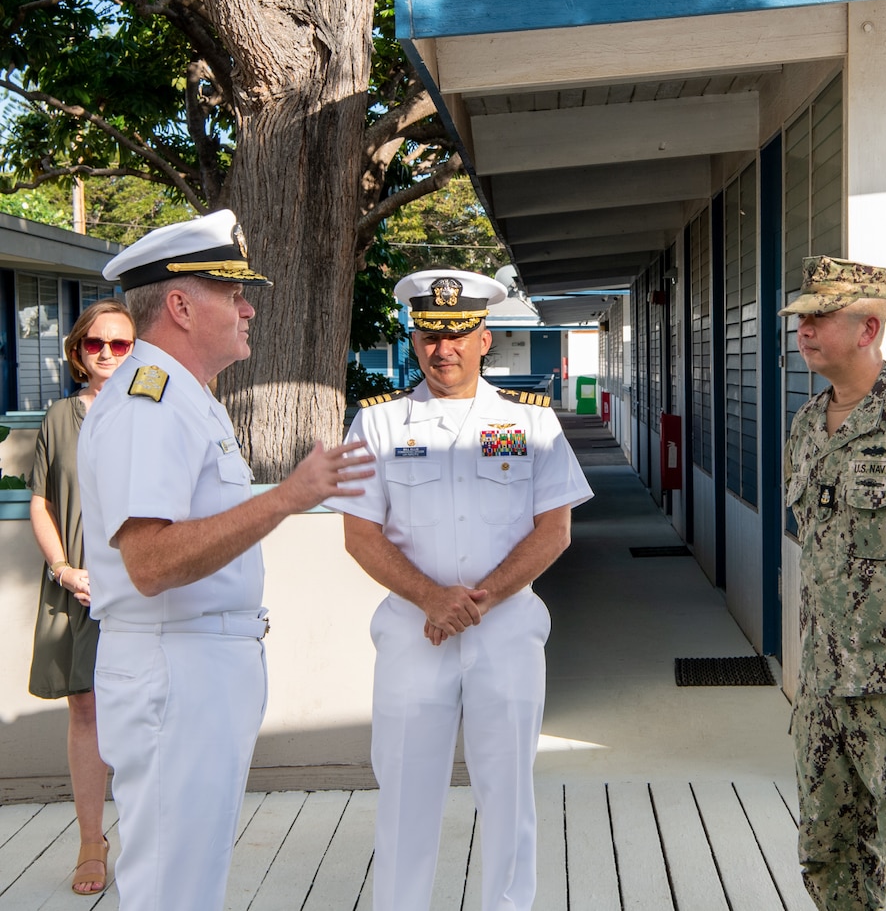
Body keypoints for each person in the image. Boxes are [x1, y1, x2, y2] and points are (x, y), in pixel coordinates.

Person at [77, 209, 373, 911]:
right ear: (179, 305)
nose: (248, 306)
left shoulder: (183, 398)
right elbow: (148, 561)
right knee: (173, 886)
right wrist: (288, 497)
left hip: (198, 665)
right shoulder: (149, 403)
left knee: (191, 878)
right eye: (231, 291)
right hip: (176, 668)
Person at [330, 268, 593, 911]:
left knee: (508, 794)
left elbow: (553, 531)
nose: (441, 349)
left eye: (456, 334)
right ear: (416, 340)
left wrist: (475, 602)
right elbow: (360, 536)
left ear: (484, 339)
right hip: (414, 635)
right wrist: (432, 599)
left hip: (504, 634)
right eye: (429, 335)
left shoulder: (530, 422)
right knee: (404, 796)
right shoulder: (378, 425)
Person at [780, 256, 886, 911]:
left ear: (869, 327)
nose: (805, 329)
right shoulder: (805, 426)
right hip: (823, 688)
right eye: (802, 317)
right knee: (828, 858)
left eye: (822, 316)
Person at [27, 298, 134, 895]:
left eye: (121, 344)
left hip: (142, 588)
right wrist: (65, 569)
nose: (108, 354)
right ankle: (92, 841)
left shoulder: (152, 409)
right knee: (86, 708)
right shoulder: (60, 417)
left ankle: (150, 834)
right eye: (97, 344)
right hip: (79, 590)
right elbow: (41, 500)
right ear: (77, 351)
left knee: (147, 707)